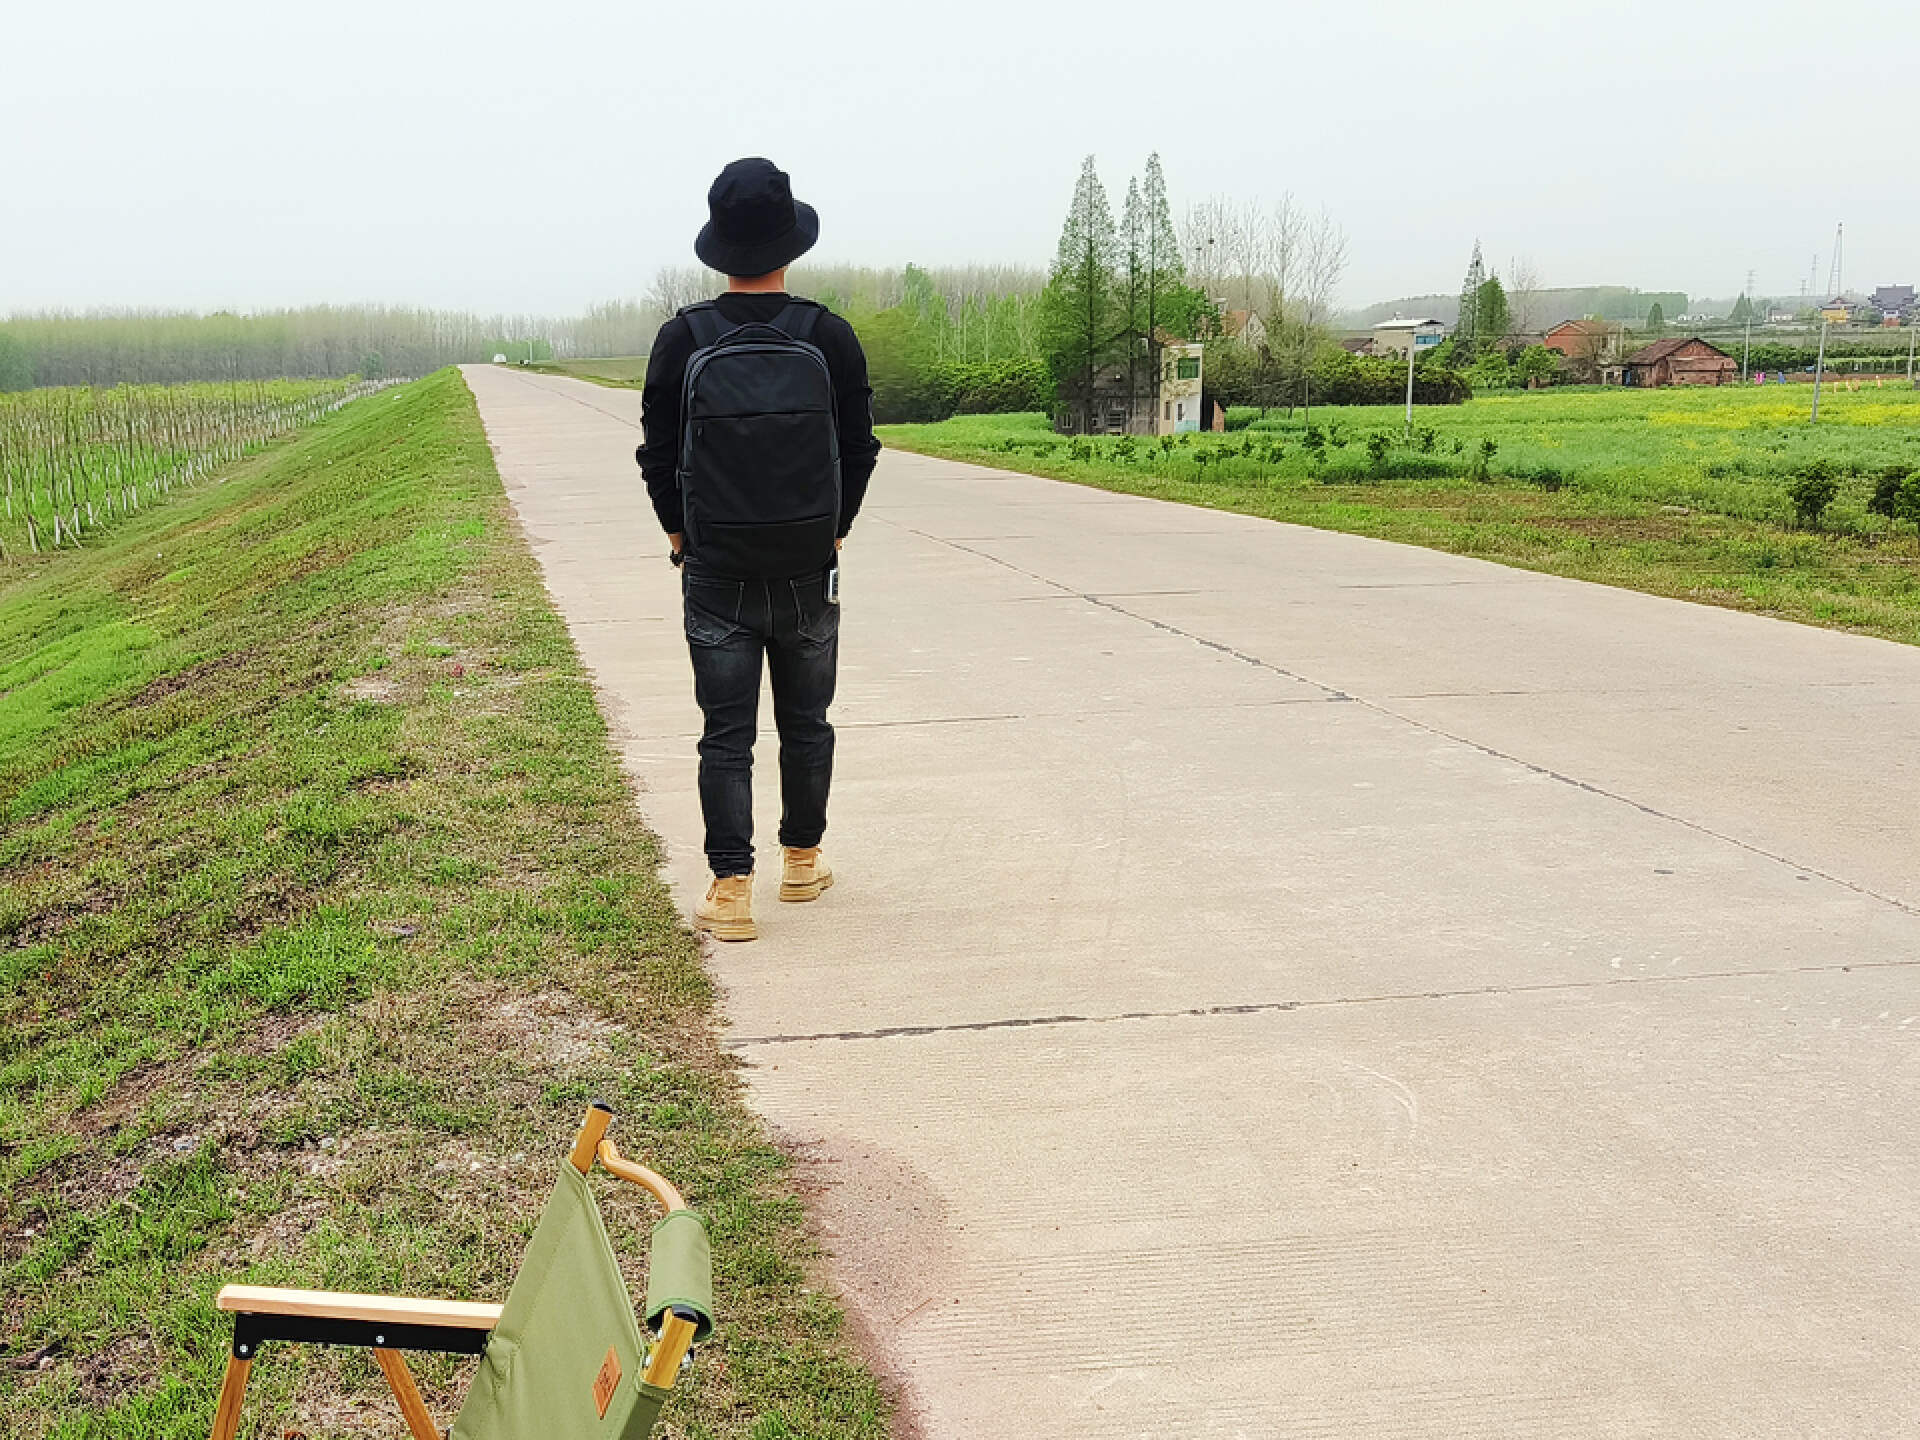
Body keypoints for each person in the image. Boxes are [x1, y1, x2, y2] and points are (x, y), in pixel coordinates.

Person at [635, 157, 880, 942]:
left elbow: (656, 452)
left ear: (720, 245)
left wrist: (681, 535)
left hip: (716, 569)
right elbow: (860, 447)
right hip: (809, 564)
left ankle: (731, 889)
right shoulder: (827, 335)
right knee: (807, 722)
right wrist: (835, 528)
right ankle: (802, 863)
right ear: (788, 242)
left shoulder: (682, 338)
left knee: (725, 734)